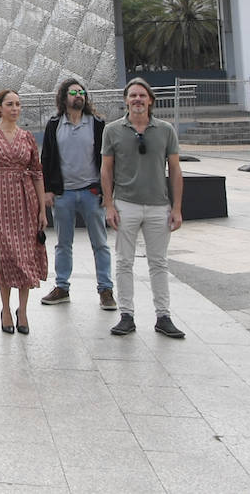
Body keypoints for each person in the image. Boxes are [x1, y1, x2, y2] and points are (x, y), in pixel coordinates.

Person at [103, 78, 186, 339]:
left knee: (159, 263)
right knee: (124, 262)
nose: (137, 100)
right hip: (125, 204)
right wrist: (109, 205)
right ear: (126, 100)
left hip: (158, 206)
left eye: (142, 96)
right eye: (132, 96)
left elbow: (174, 169)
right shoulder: (113, 130)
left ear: (150, 100)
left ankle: (163, 316)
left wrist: (177, 208)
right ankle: (126, 314)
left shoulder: (165, 130)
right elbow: (106, 169)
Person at [0, 90, 48, 334]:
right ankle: (6, 308)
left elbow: (37, 173)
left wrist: (41, 210)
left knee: (26, 255)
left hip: (26, 201)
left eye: (18, 104)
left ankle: (23, 310)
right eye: (9, 104)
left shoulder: (27, 137)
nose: (15, 108)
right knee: (6, 257)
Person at [40, 78, 115, 310]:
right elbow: (47, 159)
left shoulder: (97, 124)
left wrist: (107, 193)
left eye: (81, 92)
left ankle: (106, 289)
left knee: (100, 243)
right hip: (64, 195)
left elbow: (107, 161)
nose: (78, 95)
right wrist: (48, 190)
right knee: (63, 244)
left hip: (92, 192)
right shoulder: (54, 125)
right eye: (73, 92)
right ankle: (62, 287)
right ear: (64, 97)